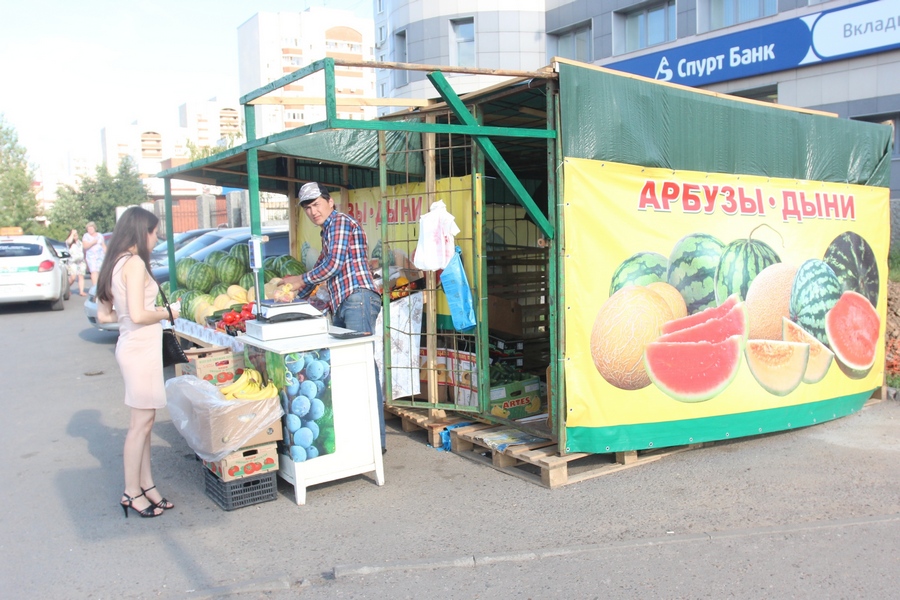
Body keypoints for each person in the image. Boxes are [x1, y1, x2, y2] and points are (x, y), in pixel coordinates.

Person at [282, 182, 386, 453]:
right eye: (307, 208)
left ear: (330, 202)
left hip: (357, 299)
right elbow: (321, 265)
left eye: (316, 204)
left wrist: (299, 280)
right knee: (348, 371)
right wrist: (292, 296)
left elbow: (333, 264)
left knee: (362, 369)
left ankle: (375, 443)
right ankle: (359, 440)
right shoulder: (328, 230)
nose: (313, 211)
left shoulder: (340, 222)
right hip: (344, 303)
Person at [95, 207, 180, 518]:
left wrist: (133, 317)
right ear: (142, 232)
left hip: (134, 345)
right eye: (154, 232)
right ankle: (131, 492)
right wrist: (170, 312)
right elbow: (139, 314)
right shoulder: (133, 263)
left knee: (145, 423)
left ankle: (147, 485)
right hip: (140, 348)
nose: (156, 239)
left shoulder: (115, 261)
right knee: (139, 425)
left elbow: (105, 315)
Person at [83, 221, 107, 288]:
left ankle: (100, 286)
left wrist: (106, 254)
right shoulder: (86, 236)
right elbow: (85, 246)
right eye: (88, 229)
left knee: (100, 271)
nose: (90, 230)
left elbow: (103, 245)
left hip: (100, 256)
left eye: (91, 229)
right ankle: (95, 287)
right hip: (91, 257)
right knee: (94, 271)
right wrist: (93, 242)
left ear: (94, 228)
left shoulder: (99, 235)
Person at [65, 228, 87, 296]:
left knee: (81, 276)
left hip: (80, 261)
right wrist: (72, 233)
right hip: (72, 262)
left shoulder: (80, 243)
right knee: (73, 277)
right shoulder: (69, 243)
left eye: (76, 235)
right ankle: (66, 289)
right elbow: (69, 241)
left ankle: (81, 291)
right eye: (74, 235)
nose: (75, 236)